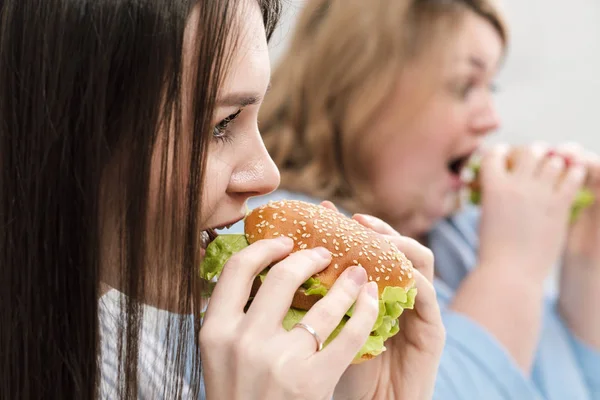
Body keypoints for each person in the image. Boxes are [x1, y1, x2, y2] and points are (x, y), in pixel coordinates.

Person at [0, 0, 444, 399]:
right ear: (68, 138)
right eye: (221, 124)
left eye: (256, 118)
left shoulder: (135, 359)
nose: (267, 176)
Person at [230, 0, 600, 398]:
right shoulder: (284, 243)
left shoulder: (464, 234)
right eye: (465, 86)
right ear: (363, 91)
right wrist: (513, 270)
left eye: (490, 87)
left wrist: (586, 259)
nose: (492, 120)